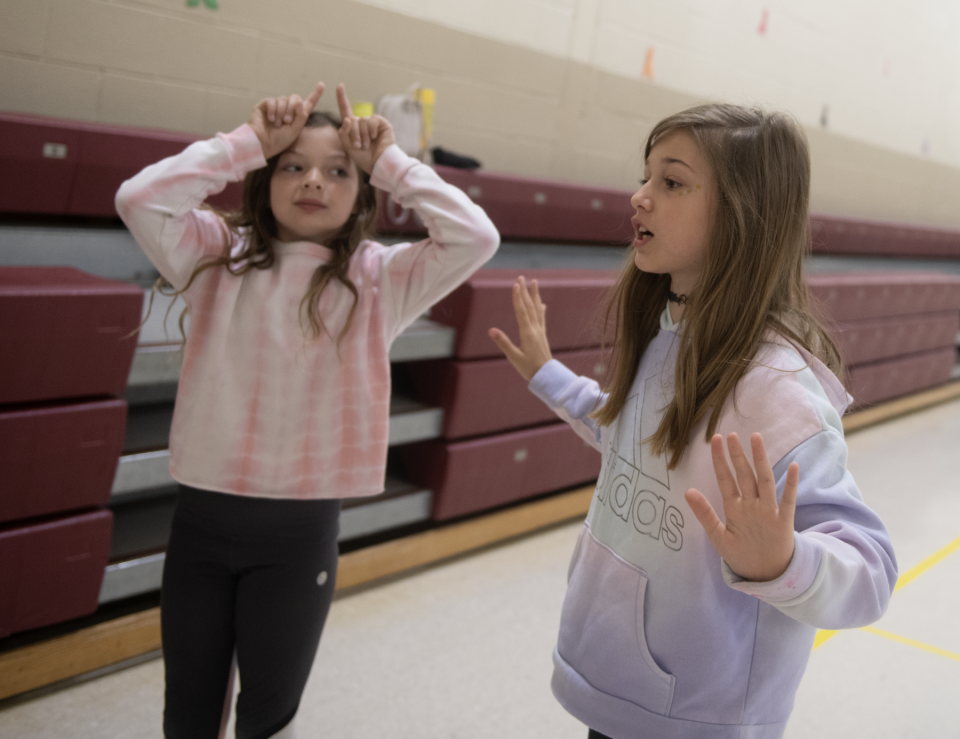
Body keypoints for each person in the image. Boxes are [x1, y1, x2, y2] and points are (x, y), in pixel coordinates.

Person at [488, 104, 897, 739]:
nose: (639, 197)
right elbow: (632, 437)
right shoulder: (669, 331)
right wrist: (548, 375)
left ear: (742, 211)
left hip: (695, 717)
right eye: (646, 177)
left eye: (671, 182)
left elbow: (869, 572)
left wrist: (782, 559)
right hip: (616, 684)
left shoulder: (776, 391)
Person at [116, 82, 499, 739]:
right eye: (291, 164)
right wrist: (244, 143)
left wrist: (392, 163)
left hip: (297, 537)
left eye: (338, 170)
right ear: (264, 179)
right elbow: (138, 198)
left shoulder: (380, 278)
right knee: (187, 714)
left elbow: (475, 236)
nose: (313, 180)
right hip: (203, 524)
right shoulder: (214, 256)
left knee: (268, 718)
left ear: (363, 191)